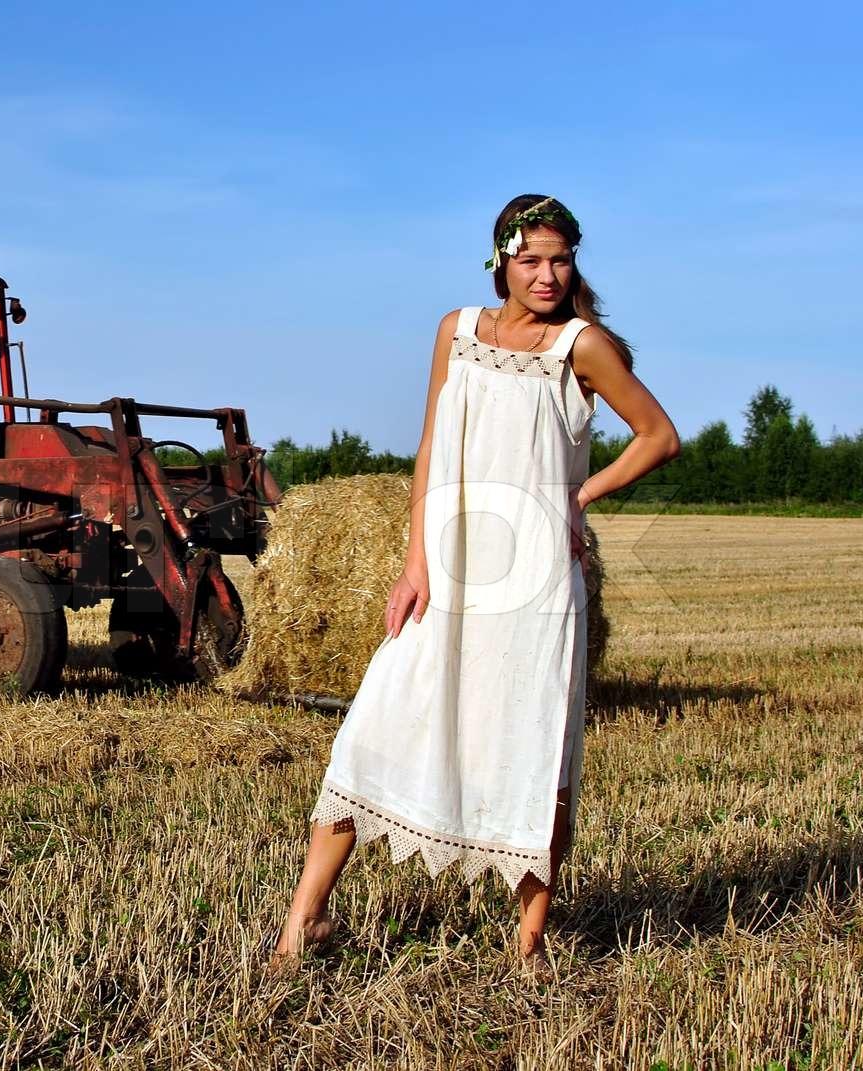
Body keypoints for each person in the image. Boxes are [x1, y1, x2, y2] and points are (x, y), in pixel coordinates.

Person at [269, 194, 681, 977]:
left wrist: (579, 497)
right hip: (448, 568)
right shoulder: (455, 330)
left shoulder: (583, 347)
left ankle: (529, 946)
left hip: (535, 583)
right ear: (501, 261)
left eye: (560, 260)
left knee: (531, 748)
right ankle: (304, 920)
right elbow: (432, 443)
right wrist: (414, 559)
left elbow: (659, 436)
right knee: (375, 727)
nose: (547, 275)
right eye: (531, 260)